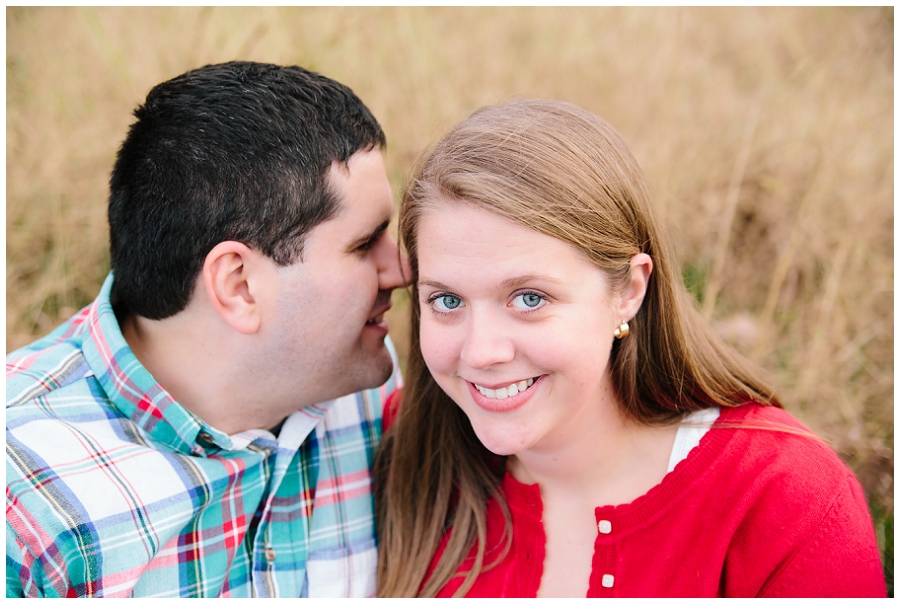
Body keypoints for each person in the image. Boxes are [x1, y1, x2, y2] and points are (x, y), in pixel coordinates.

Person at [374, 99, 886, 597]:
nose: (481, 351)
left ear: (628, 292)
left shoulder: (784, 498)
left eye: (529, 298)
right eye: (446, 300)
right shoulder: (403, 449)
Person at [7, 61, 409, 597]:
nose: (403, 270)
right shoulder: (25, 500)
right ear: (239, 283)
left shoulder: (365, 392)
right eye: (364, 244)